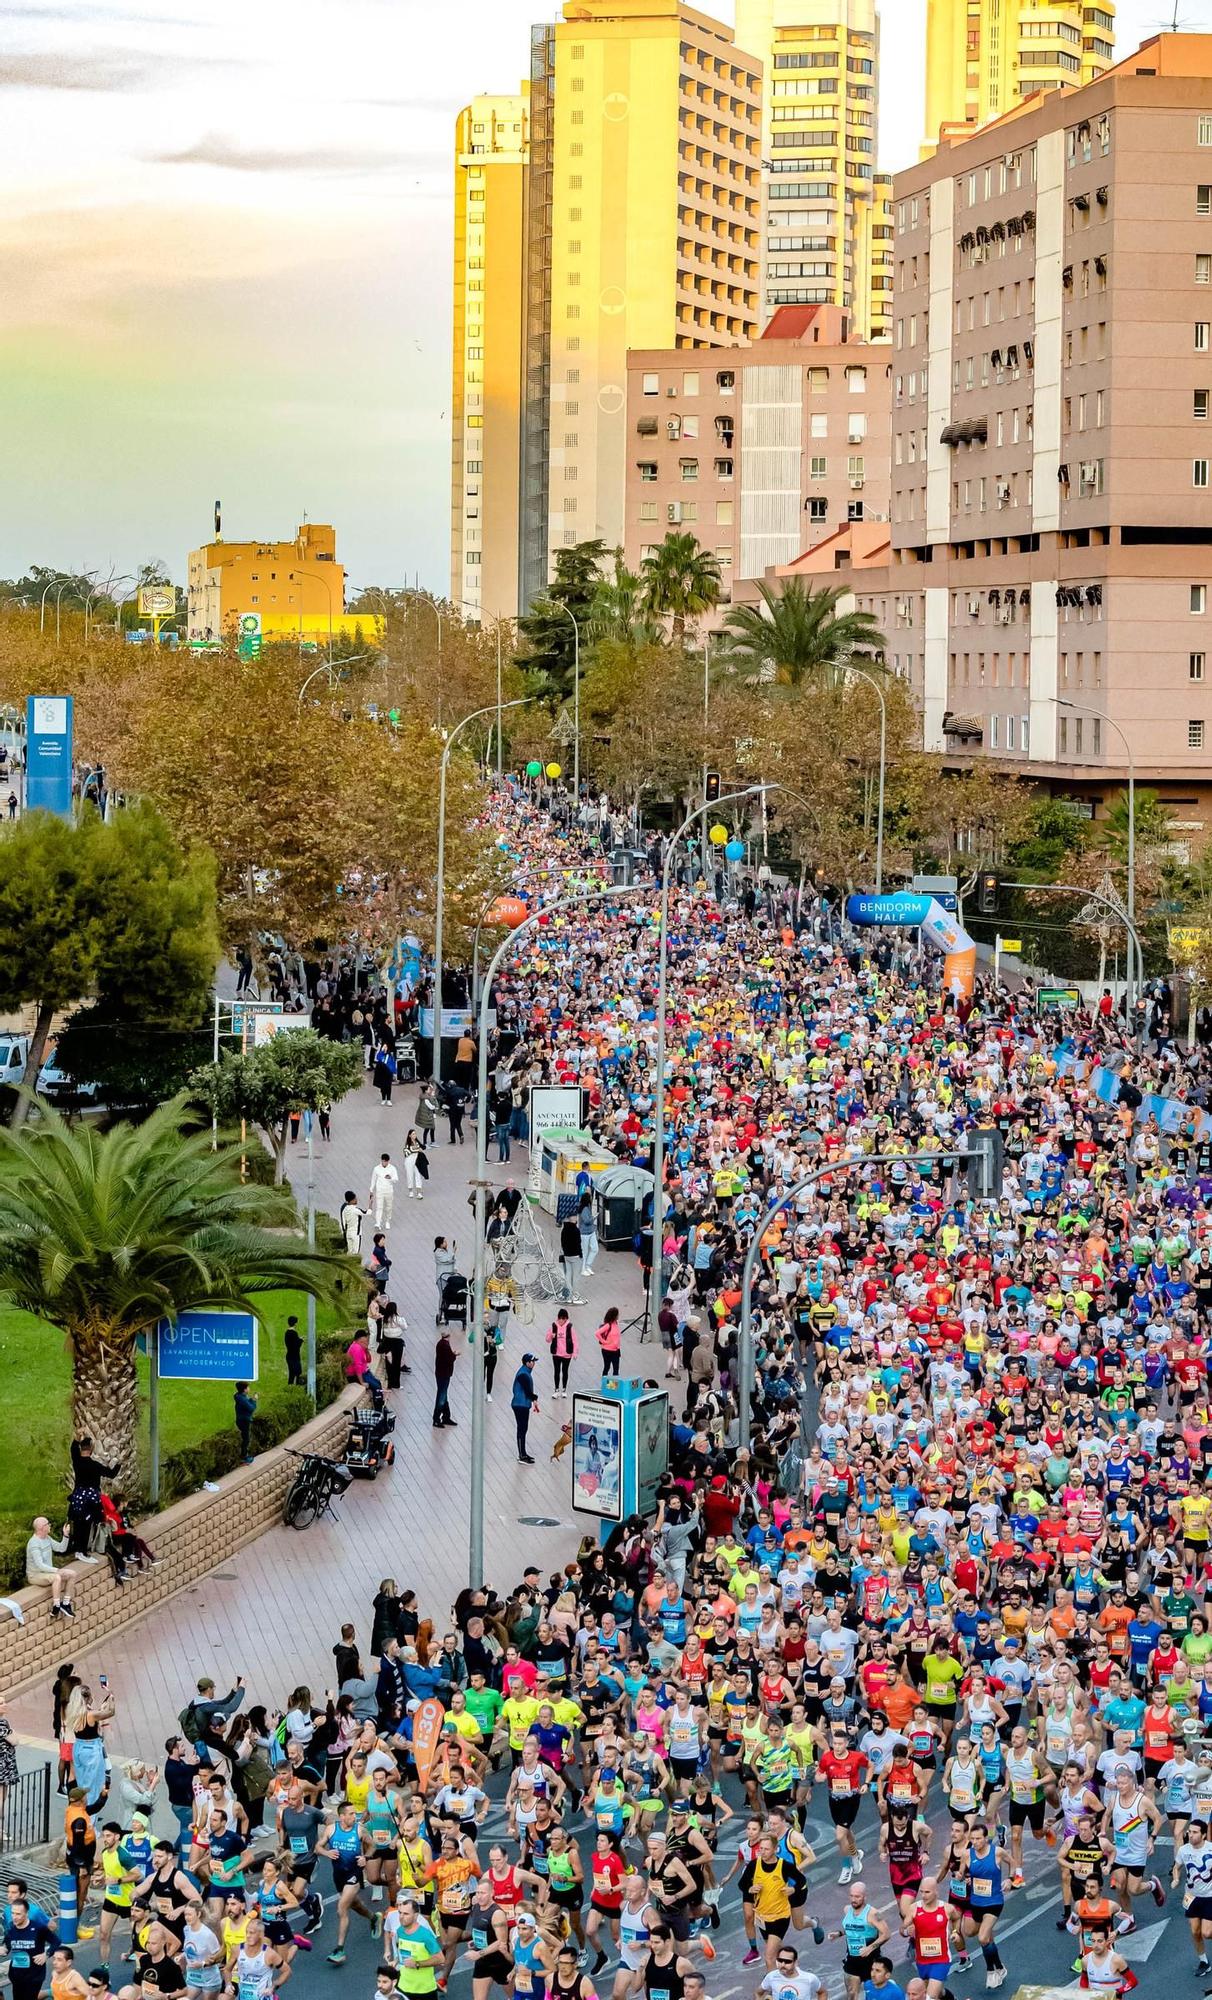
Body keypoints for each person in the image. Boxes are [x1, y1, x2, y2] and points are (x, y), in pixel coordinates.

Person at [66, 1437, 114, 1560]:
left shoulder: (77, 1461)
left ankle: (77, 1549)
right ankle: (82, 1552)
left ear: (81, 1448)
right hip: (90, 1501)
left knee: (77, 1523)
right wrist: (118, 1463)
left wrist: (76, 1439)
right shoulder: (95, 1465)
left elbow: (73, 1450)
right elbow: (111, 1474)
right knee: (86, 1524)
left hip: (78, 1498)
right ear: (91, 1449)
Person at [26, 1517, 74, 1617]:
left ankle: (66, 1603)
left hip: (47, 1572)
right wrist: (57, 1571)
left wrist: (65, 1535)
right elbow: (40, 1565)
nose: (50, 1525)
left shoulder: (47, 1538)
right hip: (35, 1575)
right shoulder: (34, 1543)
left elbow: (61, 1548)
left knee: (72, 1574)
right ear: (41, 1528)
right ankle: (56, 1606)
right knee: (56, 1577)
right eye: (48, 1524)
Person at [512, 1355, 540, 1464]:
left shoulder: (525, 1372)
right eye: (532, 1361)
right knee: (522, 1429)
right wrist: (535, 1399)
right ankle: (522, 1455)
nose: (534, 1363)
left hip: (523, 1404)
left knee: (524, 1428)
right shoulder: (523, 1374)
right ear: (527, 1363)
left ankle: (523, 1453)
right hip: (520, 1404)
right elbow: (528, 1391)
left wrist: (533, 1400)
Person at [547, 1310, 578, 1399]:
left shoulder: (569, 1327)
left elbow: (575, 1341)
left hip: (567, 1354)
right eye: (559, 1318)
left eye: (563, 1318)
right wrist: (551, 1336)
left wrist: (575, 1352)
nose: (561, 1320)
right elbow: (547, 1340)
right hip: (556, 1354)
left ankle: (564, 1390)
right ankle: (556, 1390)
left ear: (566, 1319)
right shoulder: (553, 1326)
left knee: (565, 1371)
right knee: (556, 1371)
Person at [434, 1330, 459, 1430]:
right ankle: (437, 1418)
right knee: (442, 1396)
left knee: (443, 1395)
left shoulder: (440, 1344)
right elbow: (449, 1358)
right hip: (444, 1374)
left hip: (440, 1373)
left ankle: (446, 1416)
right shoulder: (445, 1346)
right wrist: (454, 1355)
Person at [560, 1214, 586, 1305]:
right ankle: (575, 1295)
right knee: (576, 1277)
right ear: (573, 1219)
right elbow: (578, 1244)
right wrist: (581, 1255)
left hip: (567, 1255)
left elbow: (562, 1243)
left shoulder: (564, 1230)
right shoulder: (576, 1230)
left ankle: (569, 1295)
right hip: (575, 1256)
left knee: (568, 1275)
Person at [369, 1154, 398, 1231]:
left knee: (388, 1207)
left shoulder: (392, 1168)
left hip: (389, 1190)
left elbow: (396, 1179)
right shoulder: (376, 1169)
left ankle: (387, 1221)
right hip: (380, 1191)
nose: (384, 1162)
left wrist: (390, 1178)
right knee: (379, 1207)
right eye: (383, 1161)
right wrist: (371, 1189)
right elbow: (373, 1180)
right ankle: (378, 1223)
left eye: (385, 1161)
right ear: (381, 1160)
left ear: (388, 1161)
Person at [594, 1309, 622, 1381]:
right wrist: (604, 1341)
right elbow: (597, 1333)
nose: (618, 1316)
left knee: (616, 1369)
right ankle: (604, 1383)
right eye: (617, 1315)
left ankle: (614, 1386)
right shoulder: (608, 1325)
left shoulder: (616, 1324)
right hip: (607, 1350)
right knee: (607, 1367)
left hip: (616, 1350)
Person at [233, 1384, 257, 1465]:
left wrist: (251, 1400)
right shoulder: (242, 1399)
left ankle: (244, 1456)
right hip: (244, 1421)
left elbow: (246, 1404)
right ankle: (244, 1457)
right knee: (246, 1439)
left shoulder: (239, 1397)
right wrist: (254, 1401)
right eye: (247, 1387)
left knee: (245, 1438)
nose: (249, 1389)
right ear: (244, 1389)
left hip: (241, 1420)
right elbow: (251, 1408)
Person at [339, 1192, 366, 1258]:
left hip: (348, 1232)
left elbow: (342, 1221)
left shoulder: (344, 1207)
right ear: (351, 1200)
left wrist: (344, 1231)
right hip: (355, 1232)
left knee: (350, 1251)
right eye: (355, 1198)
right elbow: (366, 1212)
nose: (356, 1200)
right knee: (355, 1252)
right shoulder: (354, 1209)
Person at [283, 1317, 303, 1389]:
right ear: (295, 1323)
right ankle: (297, 1389)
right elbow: (296, 1346)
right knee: (298, 1374)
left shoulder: (287, 1332)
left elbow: (290, 1344)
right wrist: (301, 1340)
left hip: (289, 1356)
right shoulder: (294, 1333)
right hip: (295, 1357)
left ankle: (289, 1389)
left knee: (291, 1374)